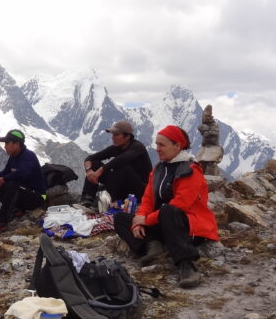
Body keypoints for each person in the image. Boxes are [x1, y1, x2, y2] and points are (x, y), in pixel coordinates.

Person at [113, 125, 219, 289]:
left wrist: (146, 220)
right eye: (157, 144)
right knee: (120, 218)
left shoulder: (190, 170)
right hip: (161, 223)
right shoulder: (159, 169)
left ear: (177, 146)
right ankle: (153, 246)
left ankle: (186, 265)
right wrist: (139, 220)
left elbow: (181, 204)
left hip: (187, 227)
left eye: (162, 145)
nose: (157, 149)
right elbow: (148, 198)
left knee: (169, 210)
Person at [80, 120, 152, 208]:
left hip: (139, 190)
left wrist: (101, 170)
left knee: (122, 166)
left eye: (116, 135)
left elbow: (122, 159)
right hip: (122, 186)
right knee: (94, 164)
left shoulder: (137, 147)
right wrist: (89, 171)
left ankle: (109, 201)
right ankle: (88, 199)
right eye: (113, 135)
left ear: (127, 136)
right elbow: (90, 158)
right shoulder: (116, 147)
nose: (113, 138)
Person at [0, 129, 46, 225]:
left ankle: (2, 220)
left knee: (13, 183)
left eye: (7, 143)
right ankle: (16, 209)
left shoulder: (28, 156)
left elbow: (22, 174)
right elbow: (5, 173)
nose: (4, 146)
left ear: (16, 144)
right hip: (25, 194)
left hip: (38, 197)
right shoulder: (13, 157)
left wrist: (3, 179)